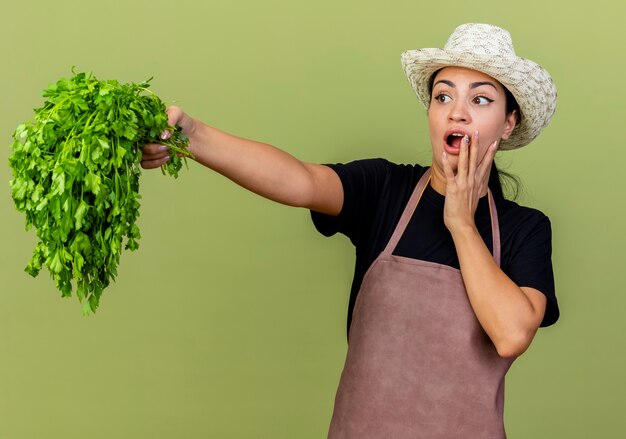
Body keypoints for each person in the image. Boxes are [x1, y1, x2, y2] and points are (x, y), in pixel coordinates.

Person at [142, 23, 560, 439]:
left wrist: (461, 223)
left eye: (481, 99)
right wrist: (192, 136)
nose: (457, 111)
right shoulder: (384, 191)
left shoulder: (525, 229)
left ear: (508, 124)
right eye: (443, 96)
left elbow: (511, 334)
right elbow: (299, 181)